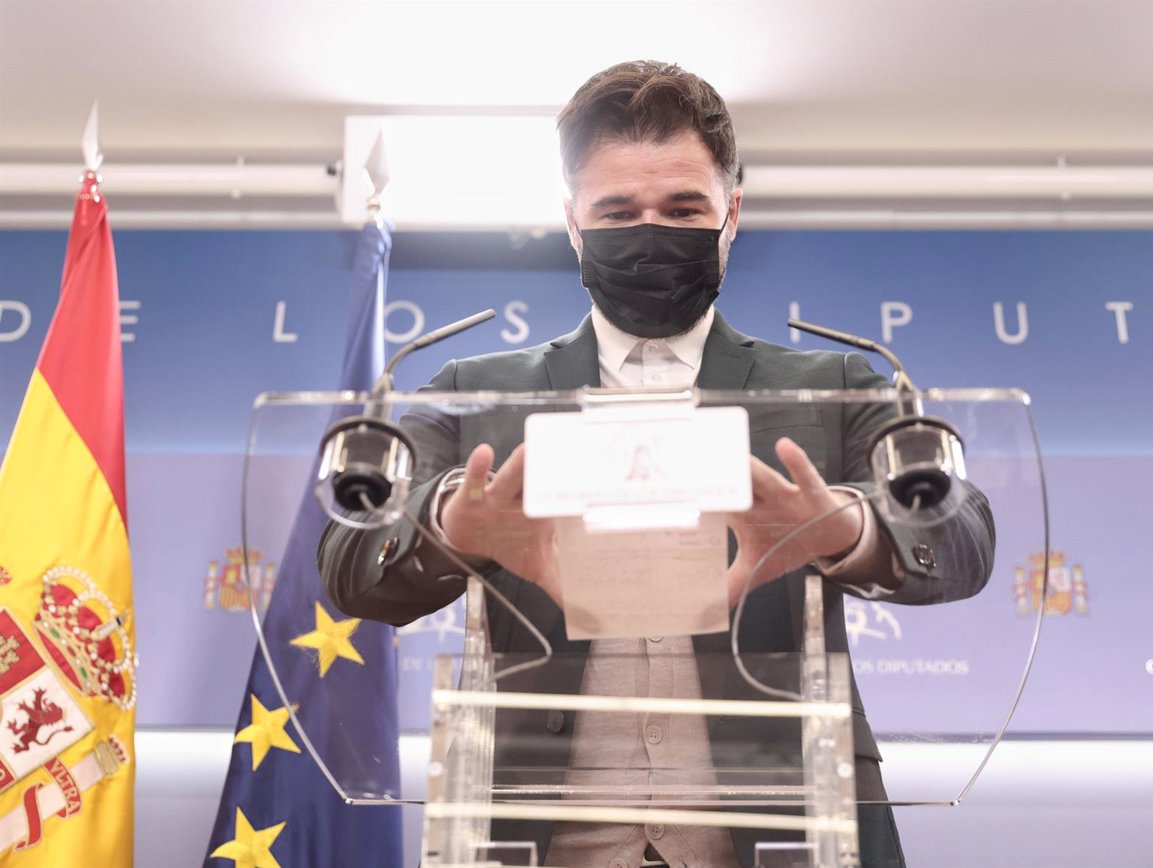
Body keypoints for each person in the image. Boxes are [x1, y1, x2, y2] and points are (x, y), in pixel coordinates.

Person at [320, 60, 995, 868]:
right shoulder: (473, 392)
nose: (650, 233)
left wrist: (846, 528)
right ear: (572, 222)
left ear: (731, 214)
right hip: (530, 840)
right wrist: (448, 526)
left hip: (790, 836)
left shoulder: (836, 385)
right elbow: (347, 559)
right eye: (617, 212)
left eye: (682, 209)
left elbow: (962, 535)